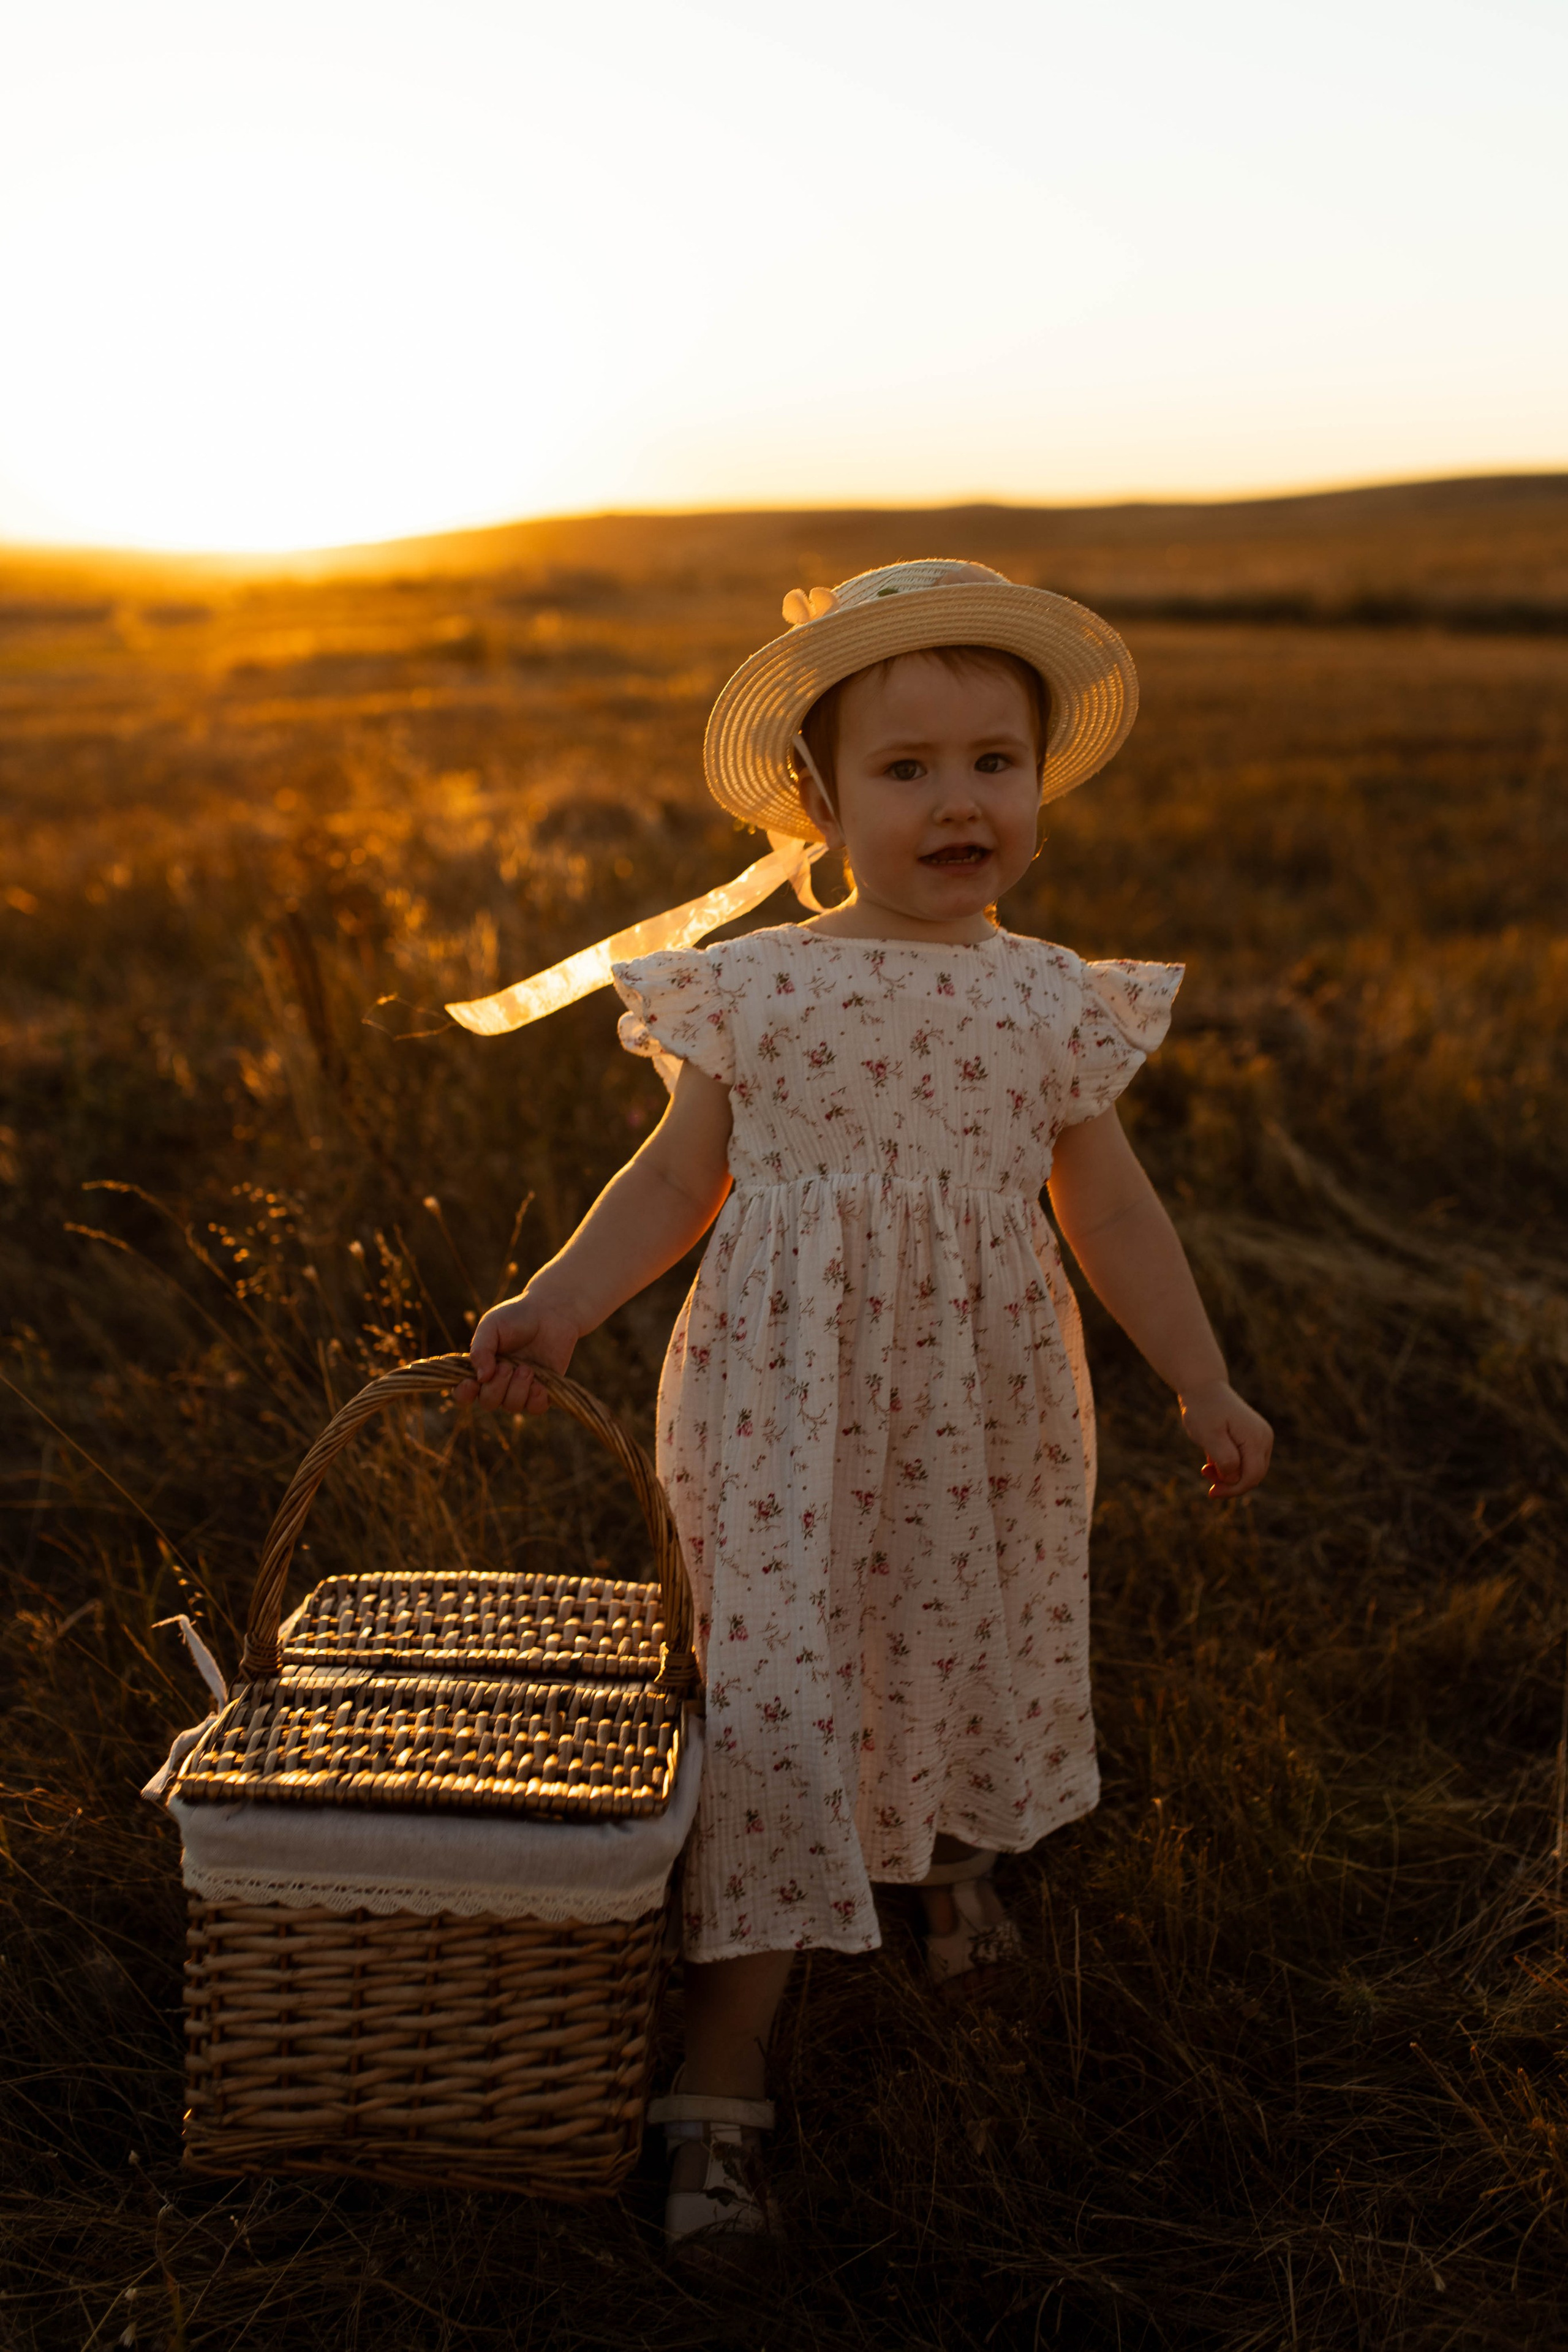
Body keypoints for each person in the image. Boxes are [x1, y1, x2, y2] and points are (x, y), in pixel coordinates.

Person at [456, 559, 1273, 2248]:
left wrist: (1199, 1375)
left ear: (1038, 784)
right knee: (778, 1693)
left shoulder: (1050, 996)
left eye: (995, 762)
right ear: (819, 805)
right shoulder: (757, 987)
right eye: (908, 769)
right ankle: (723, 2072)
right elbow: (674, 1181)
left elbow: (1111, 1209)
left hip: (986, 1402)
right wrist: (560, 1304)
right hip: (783, 1403)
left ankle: (947, 1850)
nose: (961, 800)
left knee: (956, 1622)